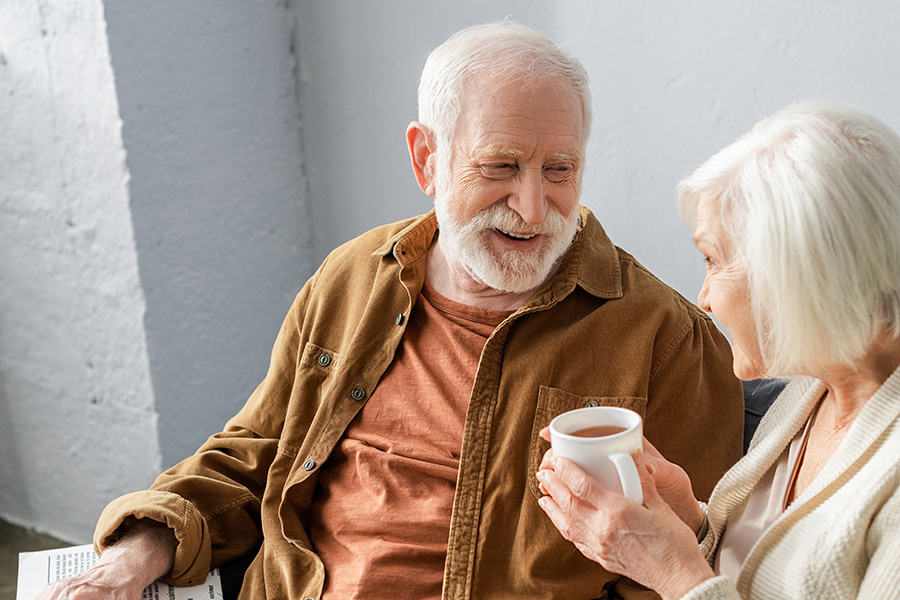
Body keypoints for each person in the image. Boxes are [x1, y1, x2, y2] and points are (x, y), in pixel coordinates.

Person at [39, 21, 743, 600]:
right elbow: (253, 459)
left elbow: (686, 570)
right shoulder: (351, 281)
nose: (534, 208)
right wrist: (132, 559)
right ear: (426, 158)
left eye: (559, 169)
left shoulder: (667, 338)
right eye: (500, 167)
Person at [536, 99, 900, 599]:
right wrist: (691, 522)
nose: (703, 299)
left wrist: (674, 572)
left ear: (794, 274)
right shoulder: (814, 389)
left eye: (712, 259)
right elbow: (761, 575)